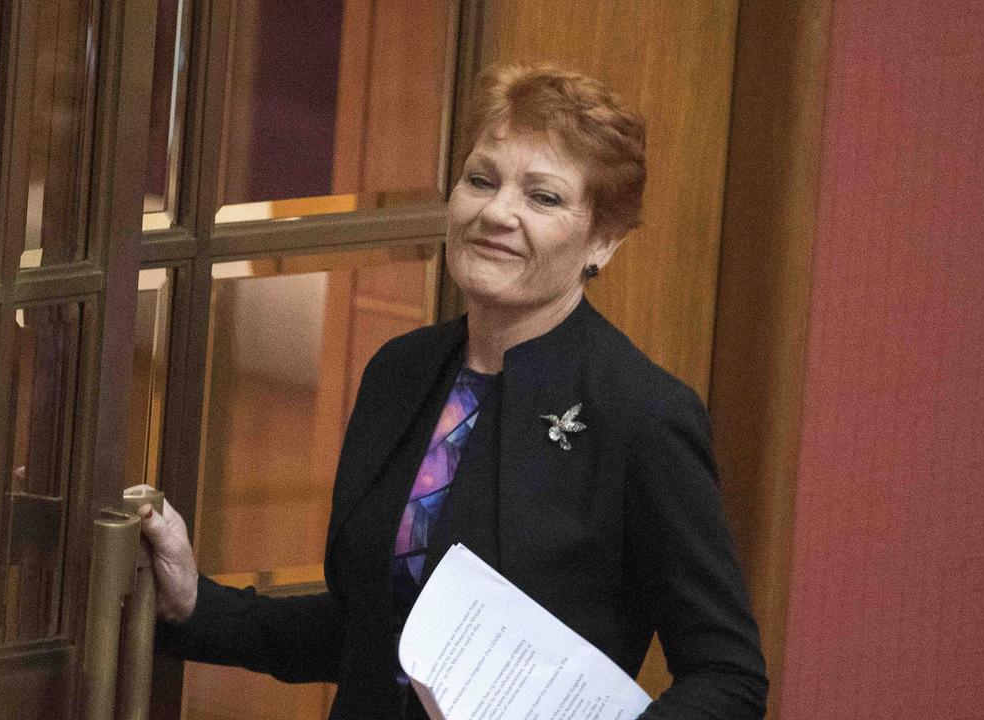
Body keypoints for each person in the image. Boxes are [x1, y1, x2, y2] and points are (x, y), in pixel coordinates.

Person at [137, 63, 767, 719]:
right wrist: (194, 604)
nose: (497, 212)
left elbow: (728, 680)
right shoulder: (402, 372)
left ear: (602, 242)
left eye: (542, 197)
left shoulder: (643, 414)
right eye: (481, 180)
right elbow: (372, 634)